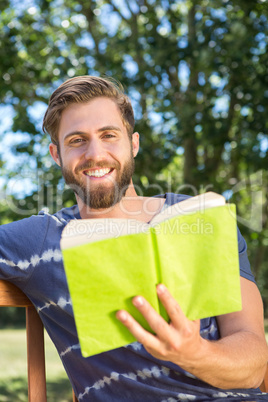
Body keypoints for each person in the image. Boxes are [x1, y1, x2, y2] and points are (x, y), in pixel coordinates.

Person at [0, 76, 267, 401]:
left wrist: (194, 352)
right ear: (57, 154)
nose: (95, 154)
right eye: (77, 141)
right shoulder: (40, 240)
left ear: (133, 143)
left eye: (109, 135)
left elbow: (254, 362)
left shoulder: (201, 221)